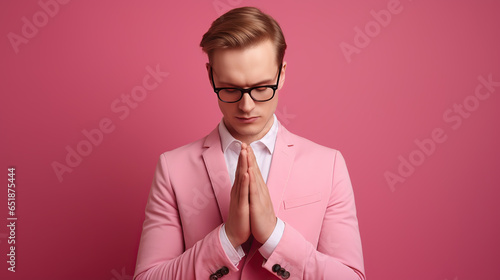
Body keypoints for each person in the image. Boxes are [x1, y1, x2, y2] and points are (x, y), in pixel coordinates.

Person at [134, 6, 365, 280]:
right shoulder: (173, 168)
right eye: (230, 89)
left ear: (281, 74)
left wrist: (275, 235)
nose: (246, 105)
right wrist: (227, 237)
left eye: (261, 88)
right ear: (211, 76)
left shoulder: (329, 165)